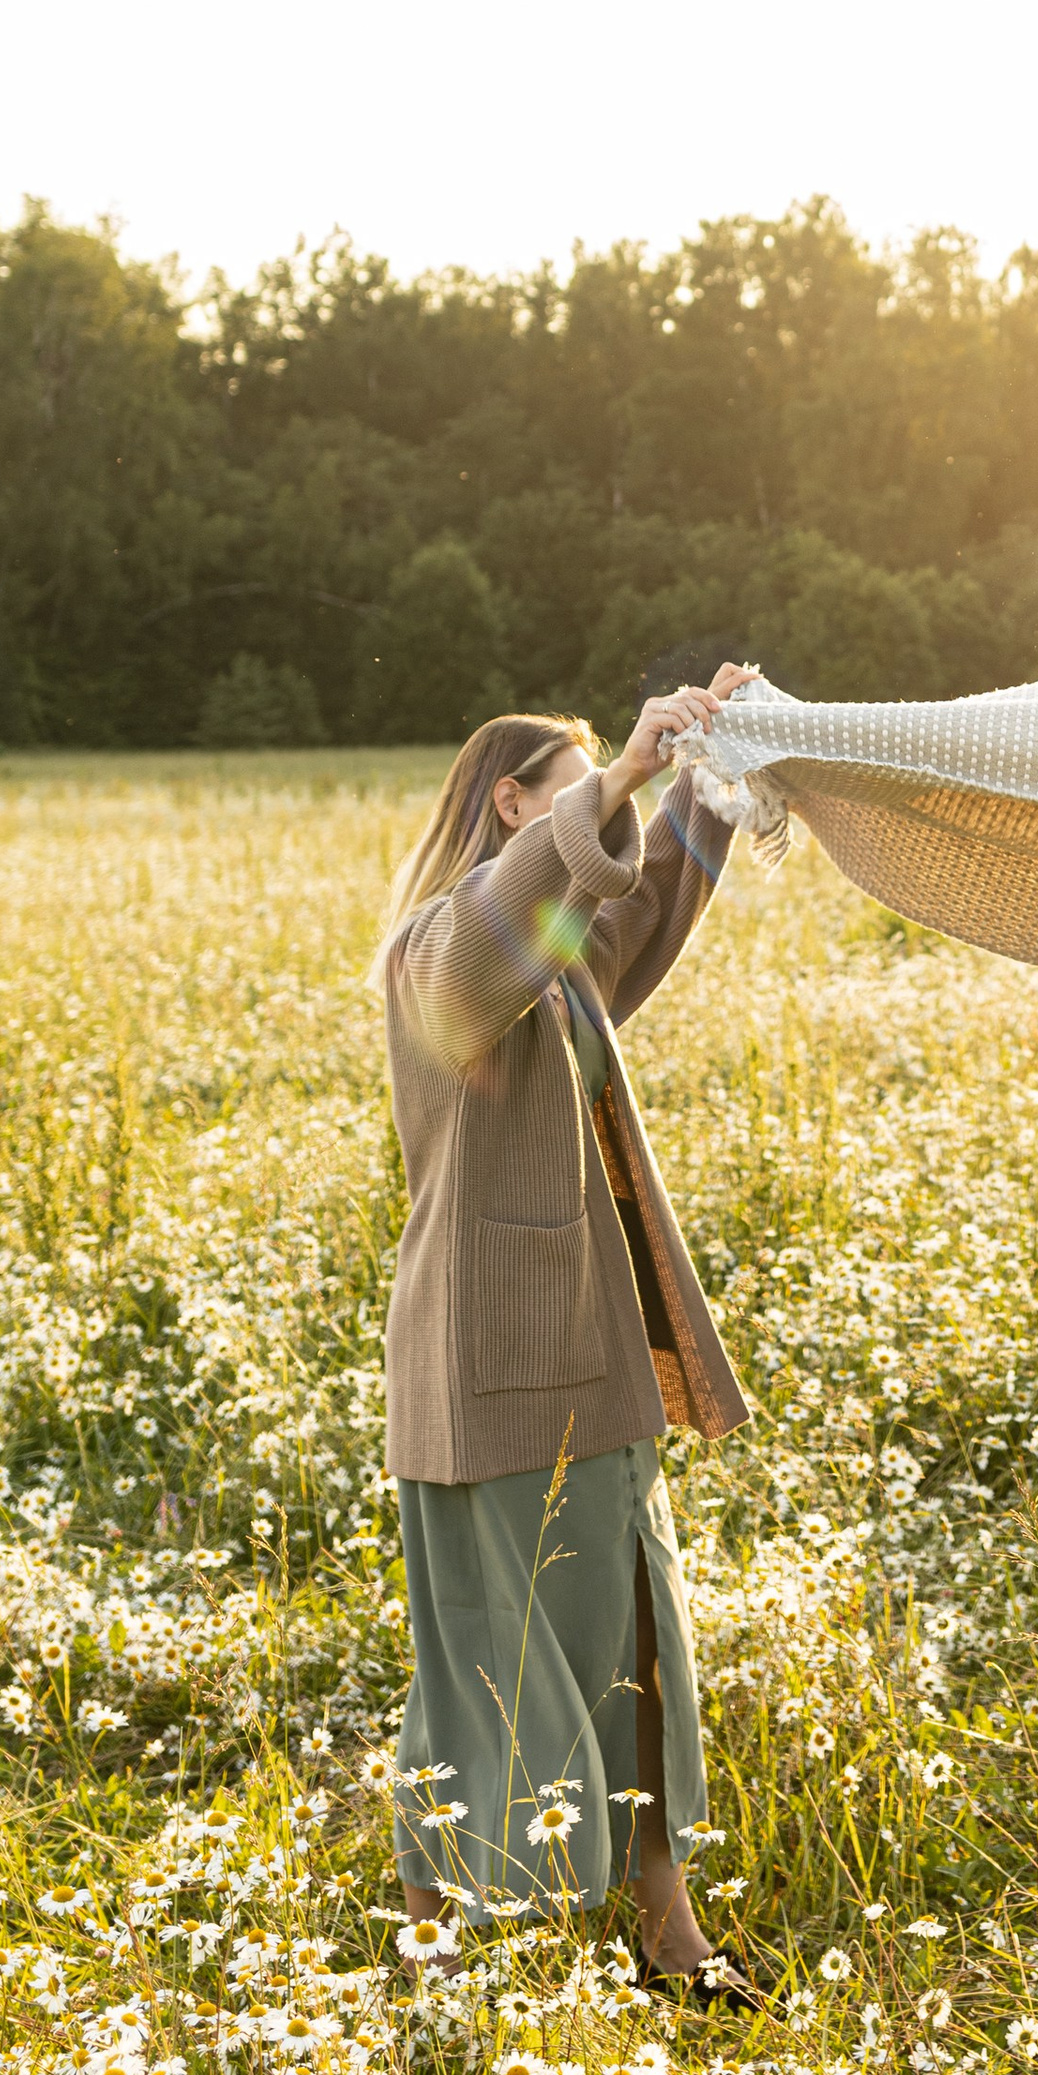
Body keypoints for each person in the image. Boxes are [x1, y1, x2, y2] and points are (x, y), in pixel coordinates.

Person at [377, 672, 759, 2002]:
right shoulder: (442, 955)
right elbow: (493, 938)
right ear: (515, 805)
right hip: (492, 1378)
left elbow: (639, 909)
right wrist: (627, 779)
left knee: (631, 1646)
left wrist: (719, 766)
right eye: (579, 787)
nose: (611, 811)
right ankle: (440, 1952)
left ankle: (665, 1936)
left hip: (570, 1370)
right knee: (492, 1657)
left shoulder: (557, 976)